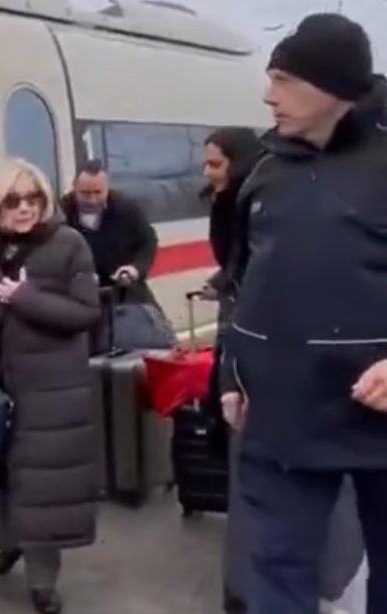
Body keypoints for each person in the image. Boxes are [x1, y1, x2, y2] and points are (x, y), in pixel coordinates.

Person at [218, 13, 387, 614]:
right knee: (274, 576)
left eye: (284, 80)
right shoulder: (265, 174)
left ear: (335, 88)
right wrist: (230, 376)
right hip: (282, 416)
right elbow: (238, 285)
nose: (268, 95)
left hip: (378, 418)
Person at [0, 158, 101, 614]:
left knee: (38, 485)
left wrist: (24, 297)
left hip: (49, 386)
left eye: (34, 199)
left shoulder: (68, 244)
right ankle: (8, 541)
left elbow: (86, 313)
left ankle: (42, 585)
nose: (26, 209)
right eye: (14, 201)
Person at [199, 126, 263, 614]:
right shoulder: (225, 201)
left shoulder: (255, 201)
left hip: (250, 329)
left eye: (216, 164)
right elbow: (233, 257)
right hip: (235, 317)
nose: (207, 173)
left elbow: (252, 261)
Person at [59, 160, 159, 306]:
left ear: (107, 189)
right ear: (74, 188)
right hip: (78, 296)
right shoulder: (60, 213)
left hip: (124, 290)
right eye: (85, 194)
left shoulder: (127, 208)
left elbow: (148, 241)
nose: (92, 201)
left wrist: (135, 269)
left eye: (98, 193)